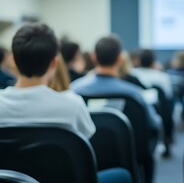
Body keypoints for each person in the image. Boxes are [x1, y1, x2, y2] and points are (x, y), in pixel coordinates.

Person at [0, 24, 132, 183]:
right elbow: (88, 152)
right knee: (122, 175)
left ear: (12, 60)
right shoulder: (72, 105)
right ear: (54, 63)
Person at [71, 36, 159, 183]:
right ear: (119, 59)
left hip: (85, 161)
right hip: (128, 161)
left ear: (94, 58)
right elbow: (153, 125)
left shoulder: (74, 91)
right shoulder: (134, 94)